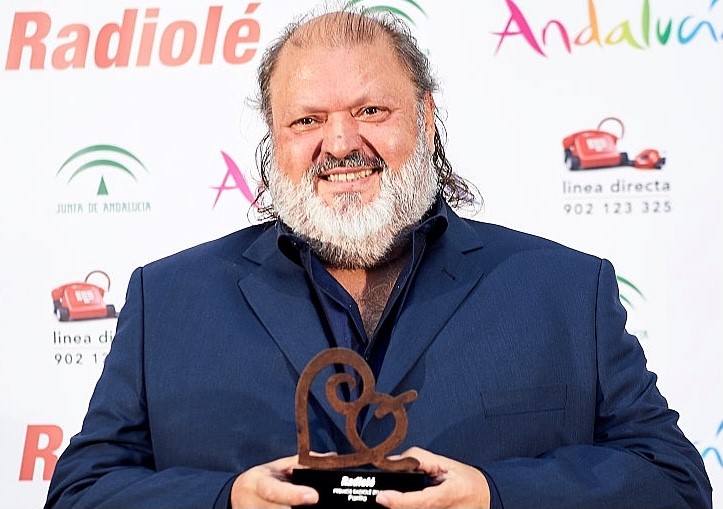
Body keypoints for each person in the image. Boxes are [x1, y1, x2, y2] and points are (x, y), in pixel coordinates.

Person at [45, 8, 711, 509]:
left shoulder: (564, 288)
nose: (340, 143)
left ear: (425, 115)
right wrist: (226, 499)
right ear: (273, 137)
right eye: (307, 120)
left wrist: (496, 494)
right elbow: (80, 491)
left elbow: (674, 481)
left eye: (370, 109)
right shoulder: (169, 299)